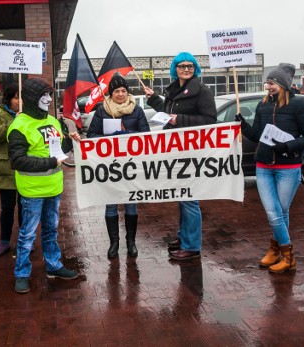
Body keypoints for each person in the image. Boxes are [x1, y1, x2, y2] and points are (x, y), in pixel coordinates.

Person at [237, 63, 304, 273]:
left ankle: (280, 252)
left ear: (282, 84)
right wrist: (243, 125)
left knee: (280, 212)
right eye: (267, 83)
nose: (268, 87)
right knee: (274, 212)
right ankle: (283, 253)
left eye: (271, 83)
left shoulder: (298, 105)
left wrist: (288, 146)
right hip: (263, 165)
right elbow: (256, 135)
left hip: (288, 167)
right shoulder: (262, 106)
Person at [7, 77, 81, 294]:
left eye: (50, 95)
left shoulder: (52, 121)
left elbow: (58, 150)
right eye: (44, 95)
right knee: (27, 234)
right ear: (31, 98)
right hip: (32, 190)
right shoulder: (19, 126)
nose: (49, 99)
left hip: (53, 187)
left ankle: (54, 265)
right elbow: (17, 160)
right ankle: (21, 273)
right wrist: (49, 162)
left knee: (51, 230)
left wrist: (70, 140)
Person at [143, 52, 216, 261]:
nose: (186, 69)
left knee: (189, 198)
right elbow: (168, 112)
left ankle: (192, 246)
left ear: (195, 69)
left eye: (190, 66)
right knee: (181, 196)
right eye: (182, 66)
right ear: (175, 68)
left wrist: (180, 120)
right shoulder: (175, 89)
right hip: (176, 150)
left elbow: (210, 120)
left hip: (192, 151)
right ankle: (184, 237)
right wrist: (154, 99)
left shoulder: (202, 91)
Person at [87, 73, 150, 259]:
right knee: (111, 206)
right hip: (110, 167)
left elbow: (146, 136)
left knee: (131, 206)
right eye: (116, 91)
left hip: (132, 167)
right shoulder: (102, 111)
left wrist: (126, 134)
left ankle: (131, 242)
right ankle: (114, 243)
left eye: (123, 90)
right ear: (110, 93)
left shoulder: (137, 111)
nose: (121, 94)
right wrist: (109, 138)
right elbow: (91, 136)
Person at [0, 83, 22, 257]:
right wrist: (15, 121)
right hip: (5, 168)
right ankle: (4, 241)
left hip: (24, 168)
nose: (19, 101)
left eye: (21, 97)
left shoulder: (27, 115)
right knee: (7, 208)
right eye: (16, 97)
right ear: (8, 98)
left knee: (25, 207)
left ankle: (25, 240)